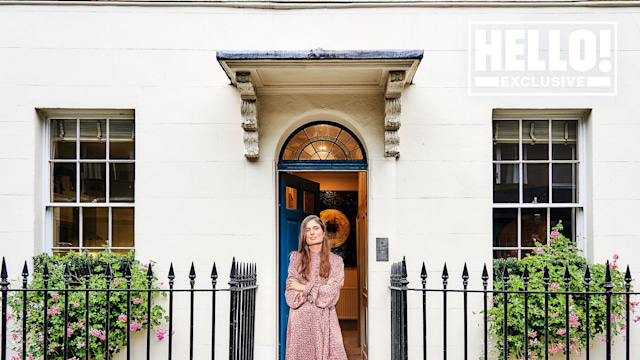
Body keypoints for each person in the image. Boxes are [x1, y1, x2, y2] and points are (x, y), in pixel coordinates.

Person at [285, 214, 348, 360]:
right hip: (300, 322)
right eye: (307, 230)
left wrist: (302, 287)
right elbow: (291, 297)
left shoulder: (336, 261)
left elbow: (331, 296)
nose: (312, 233)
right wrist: (322, 287)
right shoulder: (295, 258)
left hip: (325, 322)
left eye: (315, 228)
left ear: (324, 232)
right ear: (304, 235)